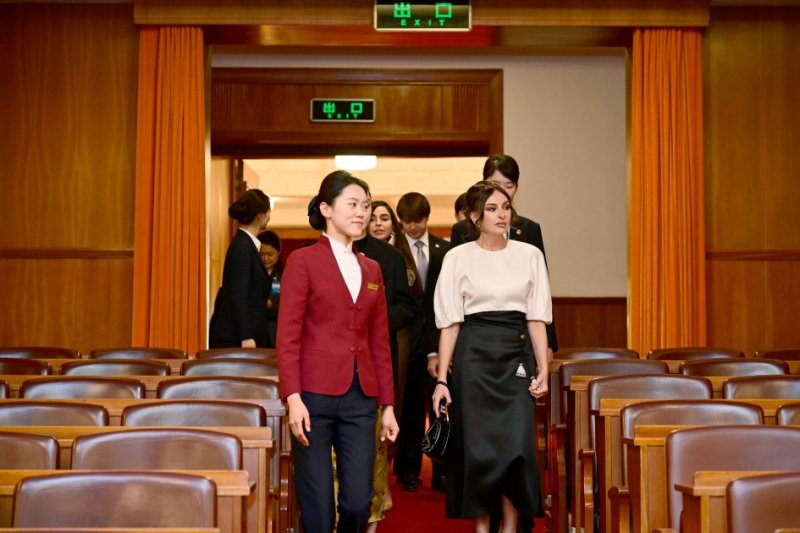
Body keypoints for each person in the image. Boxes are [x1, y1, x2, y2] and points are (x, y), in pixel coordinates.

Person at [277, 170, 399, 533]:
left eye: (365, 205)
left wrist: (388, 406)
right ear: (326, 208)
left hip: (361, 398)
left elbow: (380, 342)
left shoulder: (372, 267)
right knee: (317, 506)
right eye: (353, 204)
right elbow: (288, 336)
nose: (361, 212)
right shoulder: (303, 261)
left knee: (359, 502)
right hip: (313, 396)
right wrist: (292, 397)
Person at [432, 180, 551, 533]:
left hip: (516, 357)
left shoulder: (530, 254)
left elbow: (537, 318)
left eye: (506, 207)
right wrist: (442, 381)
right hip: (473, 360)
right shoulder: (457, 257)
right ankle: (482, 526)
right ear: (474, 216)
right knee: (479, 452)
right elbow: (450, 325)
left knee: (516, 450)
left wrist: (543, 368)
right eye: (492, 209)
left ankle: (510, 526)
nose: (502, 215)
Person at [449, 154, 559, 357]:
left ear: (516, 187)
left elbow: (542, 289)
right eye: (495, 184)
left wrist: (549, 343)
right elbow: (450, 293)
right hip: (474, 337)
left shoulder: (529, 229)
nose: (502, 192)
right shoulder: (462, 229)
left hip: (520, 335)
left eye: (508, 185)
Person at [354, 200, 417, 529]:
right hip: (341, 359)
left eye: (365, 207)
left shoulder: (389, 257)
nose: (362, 215)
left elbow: (407, 307)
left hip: (380, 352)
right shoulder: (325, 255)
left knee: (381, 426)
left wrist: (373, 321)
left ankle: (379, 489)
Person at [393, 192, 450, 493]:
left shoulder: (445, 249)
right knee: (410, 410)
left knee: (441, 408)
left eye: (417, 221)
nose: (413, 228)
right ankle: (407, 469)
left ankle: (441, 469)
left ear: (426, 218)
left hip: (439, 339)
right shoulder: (395, 250)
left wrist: (437, 345)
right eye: (407, 223)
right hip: (406, 341)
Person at [208, 189, 272, 348]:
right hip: (238, 339)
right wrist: (246, 335)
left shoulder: (246, 245)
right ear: (260, 216)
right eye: (268, 212)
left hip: (244, 336)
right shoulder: (242, 247)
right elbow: (238, 294)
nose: (269, 216)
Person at [257, 229, 282, 348]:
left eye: (270, 254)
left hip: (275, 333)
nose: (265, 258)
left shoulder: (285, 275)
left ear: (278, 252)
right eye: (262, 254)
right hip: (256, 332)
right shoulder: (253, 274)